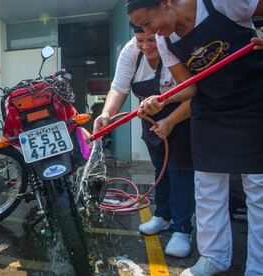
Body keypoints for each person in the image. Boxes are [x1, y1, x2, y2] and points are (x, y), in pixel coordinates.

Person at [127, 0, 263, 275]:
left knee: (258, 188)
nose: (147, 32)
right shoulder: (166, 43)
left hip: (253, 101)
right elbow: (190, 88)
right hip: (210, 109)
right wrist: (161, 100)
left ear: (165, 3)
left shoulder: (220, 2)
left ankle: (258, 266)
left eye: (146, 23)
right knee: (207, 188)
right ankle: (214, 256)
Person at [93, 25, 195, 257]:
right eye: (140, 40)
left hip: (181, 114)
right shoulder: (130, 53)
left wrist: (170, 121)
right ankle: (163, 216)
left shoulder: (172, 47)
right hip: (150, 119)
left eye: (151, 40)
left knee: (181, 170)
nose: (146, 46)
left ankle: (182, 229)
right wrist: (107, 114)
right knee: (161, 167)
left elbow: (193, 92)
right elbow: (118, 89)